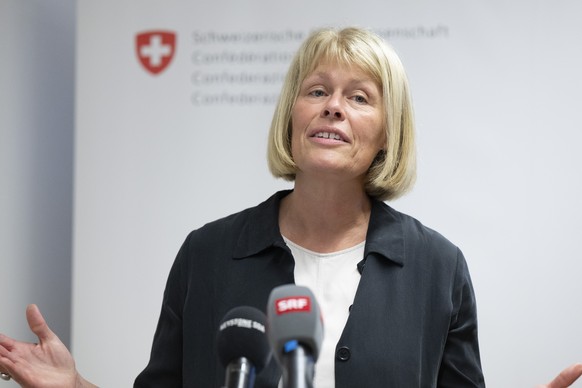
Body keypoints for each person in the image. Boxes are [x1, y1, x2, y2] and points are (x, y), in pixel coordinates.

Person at [0, 26, 580, 388]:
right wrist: (74, 387)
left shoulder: (437, 267)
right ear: (292, 116)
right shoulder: (209, 253)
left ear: (387, 134)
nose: (333, 108)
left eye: (358, 97)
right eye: (317, 91)